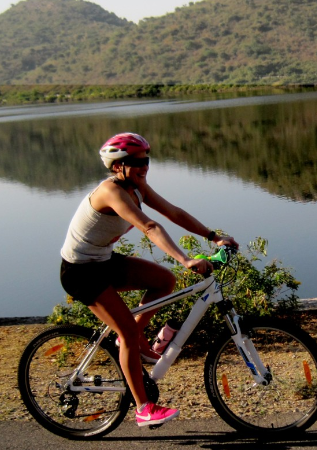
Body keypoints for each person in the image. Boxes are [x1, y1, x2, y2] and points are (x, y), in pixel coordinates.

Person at [59, 132, 238, 427]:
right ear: (118, 166)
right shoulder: (111, 192)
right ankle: (143, 408)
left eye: (146, 160)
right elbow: (149, 225)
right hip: (80, 271)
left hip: (102, 261)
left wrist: (213, 236)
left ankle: (126, 340)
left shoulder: (137, 187)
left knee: (164, 281)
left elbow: (173, 212)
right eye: (136, 162)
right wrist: (186, 259)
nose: (144, 167)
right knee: (129, 332)